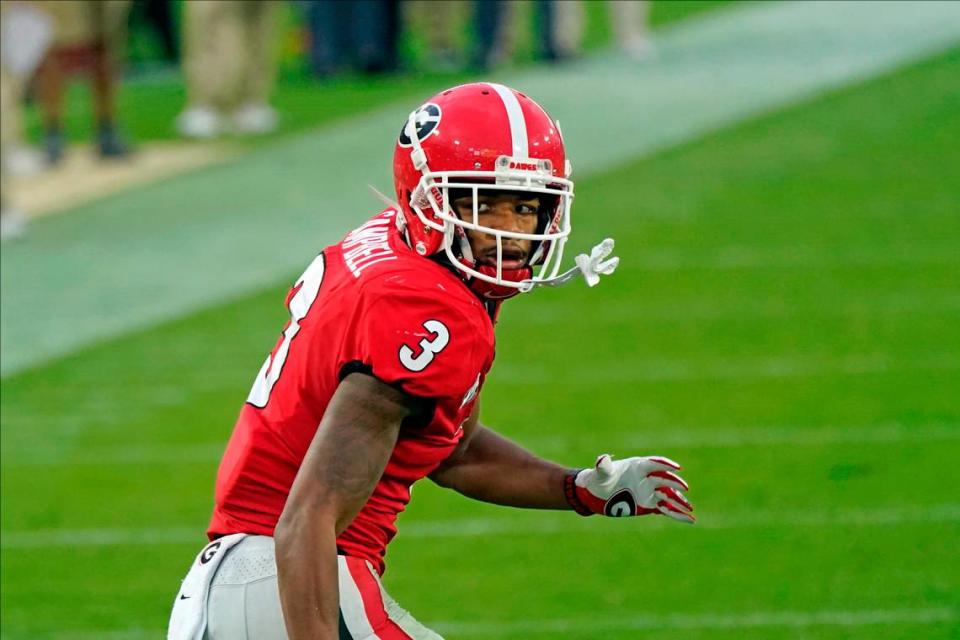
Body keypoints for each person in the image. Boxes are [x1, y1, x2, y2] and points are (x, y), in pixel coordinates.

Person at [168, 82, 695, 640]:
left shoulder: (406, 253)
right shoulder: (431, 309)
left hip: (253, 582)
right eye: (483, 203)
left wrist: (577, 488)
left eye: (525, 206)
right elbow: (308, 517)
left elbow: (455, 452)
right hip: (289, 585)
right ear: (428, 199)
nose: (510, 232)